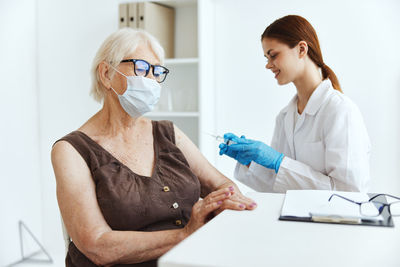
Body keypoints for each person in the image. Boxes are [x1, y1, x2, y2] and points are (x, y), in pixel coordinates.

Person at [51, 28, 256, 267]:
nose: (150, 80)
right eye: (140, 68)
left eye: (157, 72)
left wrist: (225, 203)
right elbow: (97, 245)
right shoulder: (71, 150)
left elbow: (221, 185)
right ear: (106, 74)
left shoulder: (167, 132)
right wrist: (184, 234)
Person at [219, 15, 371, 193]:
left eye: (273, 55)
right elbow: (278, 184)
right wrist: (251, 162)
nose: (268, 65)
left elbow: (350, 192)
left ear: (301, 49)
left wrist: (279, 162)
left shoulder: (340, 110)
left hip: (333, 220)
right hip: (292, 217)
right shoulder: (285, 117)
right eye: (266, 58)